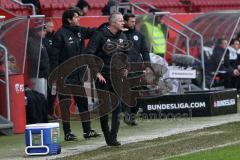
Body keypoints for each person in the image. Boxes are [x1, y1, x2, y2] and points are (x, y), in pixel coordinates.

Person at [51, 8, 100, 141]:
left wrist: (108, 26)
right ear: (69, 20)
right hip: (64, 77)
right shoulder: (60, 35)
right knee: (65, 105)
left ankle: (87, 131)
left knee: (83, 103)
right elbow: (54, 58)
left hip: (78, 76)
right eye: (76, 17)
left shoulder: (79, 31)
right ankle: (67, 133)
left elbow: (93, 31)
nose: (79, 19)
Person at [86, 12, 129, 146]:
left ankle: (113, 137)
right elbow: (89, 54)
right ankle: (107, 136)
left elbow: (126, 54)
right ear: (113, 23)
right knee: (104, 107)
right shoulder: (100, 35)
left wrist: (125, 67)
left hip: (117, 77)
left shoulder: (123, 36)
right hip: (103, 77)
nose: (123, 23)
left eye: (123, 21)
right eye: (121, 21)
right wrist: (97, 73)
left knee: (118, 106)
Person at [123, 13, 150, 126]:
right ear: (125, 21)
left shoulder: (139, 35)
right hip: (124, 69)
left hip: (138, 67)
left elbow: (145, 51)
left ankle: (132, 115)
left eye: (135, 22)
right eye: (131, 22)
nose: (134, 24)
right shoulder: (119, 35)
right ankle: (127, 114)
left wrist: (147, 65)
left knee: (141, 93)